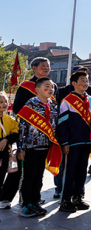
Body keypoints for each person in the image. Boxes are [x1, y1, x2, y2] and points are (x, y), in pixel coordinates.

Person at [57, 70, 91, 213]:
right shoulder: (67, 101)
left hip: (86, 141)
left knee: (82, 171)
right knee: (69, 171)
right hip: (72, 142)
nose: (86, 83)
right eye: (83, 80)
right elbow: (62, 124)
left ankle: (78, 197)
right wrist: (64, 142)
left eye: (87, 80)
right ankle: (65, 200)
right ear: (74, 83)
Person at [16, 77, 60, 218]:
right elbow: (22, 128)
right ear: (38, 89)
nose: (51, 89)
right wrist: (21, 148)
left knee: (39, 177)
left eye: (52, 87)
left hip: (46, 146)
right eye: (47, 86)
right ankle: (25, 205)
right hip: (31, 147)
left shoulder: (53, 105)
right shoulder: (30, 105)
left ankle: (35, 202)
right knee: (29, 176)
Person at [0, 92, 19, 209]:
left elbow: (16, 134)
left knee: (5, 174)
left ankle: (4, 198)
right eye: (1, 102)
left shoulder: (10, 120)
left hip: (6, 153)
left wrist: (6, 140)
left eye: (5, 101)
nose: (4, 104)